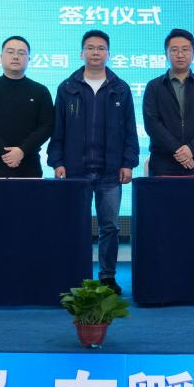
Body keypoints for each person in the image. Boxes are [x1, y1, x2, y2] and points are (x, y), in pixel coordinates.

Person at [47, 30, 139, 295]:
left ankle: (107, 276)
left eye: (101, 48)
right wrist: (57, 161)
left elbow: (130, 130)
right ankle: (74, 273)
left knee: (110, 227)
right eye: (90, 47)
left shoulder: (121, 88)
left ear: (108, 54)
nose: (95, 52)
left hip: (111, 171)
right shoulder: (67, 88)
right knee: (75, 226)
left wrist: (128, 163)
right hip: (75, 171)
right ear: (81, 53)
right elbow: (58, 129)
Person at [0, 36, 54, 178]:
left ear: (29, 59)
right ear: (1, 57)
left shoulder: (40, 91)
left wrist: (22, 151)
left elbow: (46, 127)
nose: (15, 56)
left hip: (30, 169)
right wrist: (7, 153)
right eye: (10, 52)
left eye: (21, 53)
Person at [143, 28, 194, 176]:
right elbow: (152, 124)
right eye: (174, 50)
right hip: (163, 162)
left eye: (185, 50)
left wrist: (191, 149)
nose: (180, 54)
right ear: (166, 54)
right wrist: (178, 150)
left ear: (193, 53)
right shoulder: (154, 86)